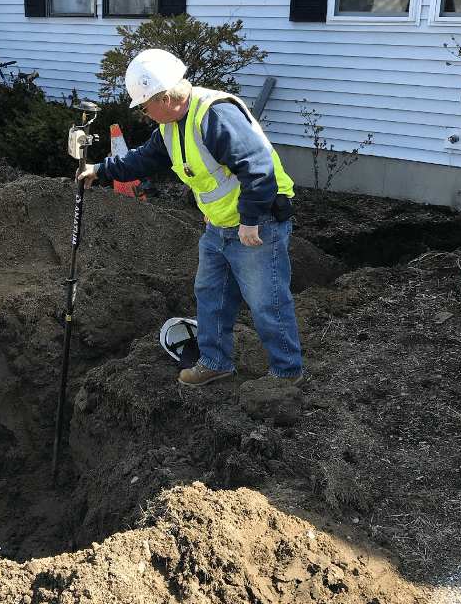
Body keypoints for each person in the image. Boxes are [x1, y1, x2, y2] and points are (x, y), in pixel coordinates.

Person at [77, 48, 303, 388]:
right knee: (211, 292)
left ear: (165, 98)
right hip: (219, 225)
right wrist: (100, 169)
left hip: (258, 223)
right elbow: (144, 159)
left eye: (143, 106)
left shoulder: (215, 115)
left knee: (266, 300)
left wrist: (250, 219)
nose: (143, 113)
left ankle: (286, 373)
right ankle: (215, 361)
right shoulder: (171, 126)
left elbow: (258, 168)